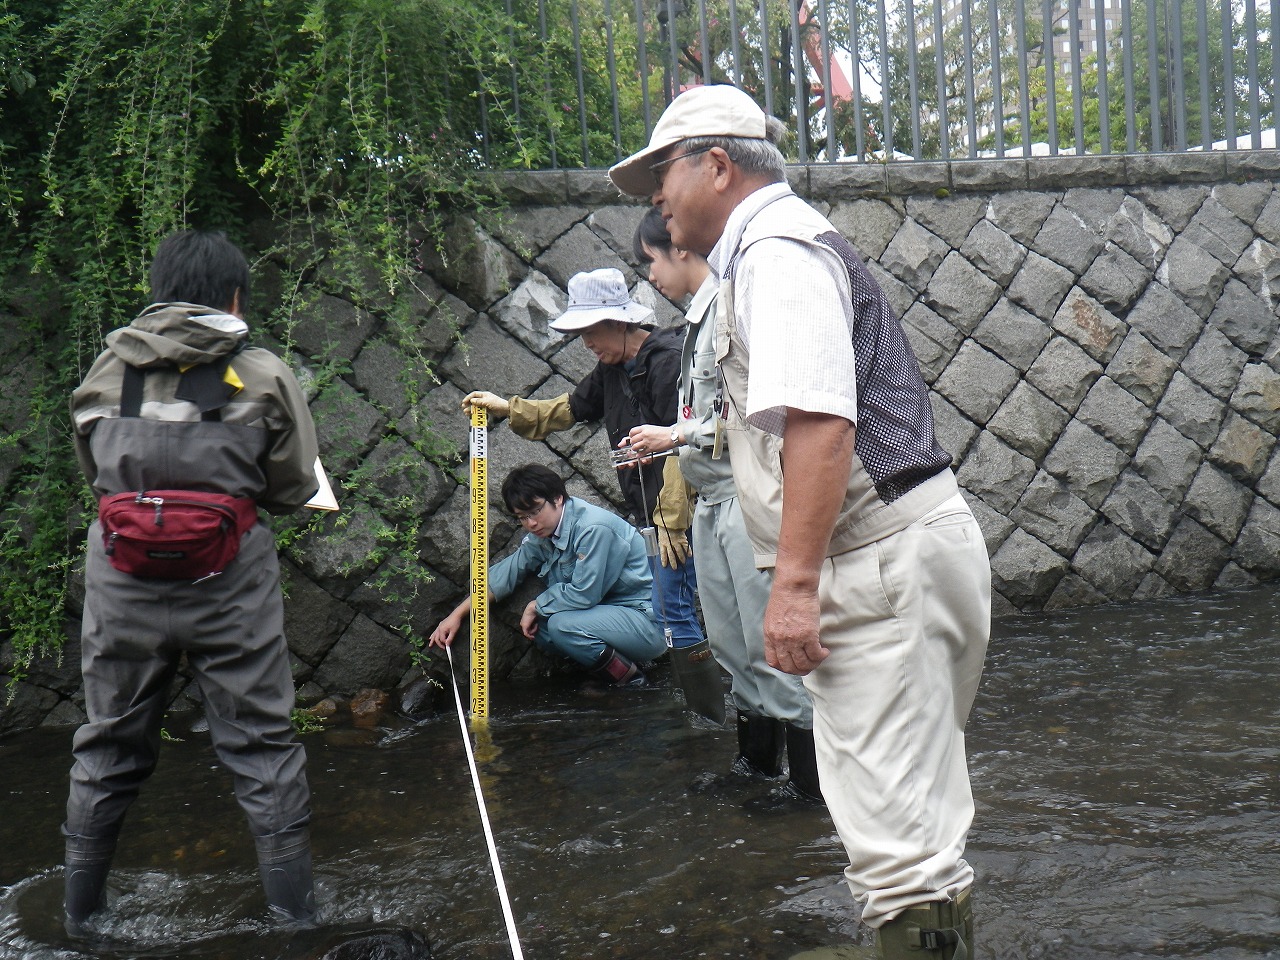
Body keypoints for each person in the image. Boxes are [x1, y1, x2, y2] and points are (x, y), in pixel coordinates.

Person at [609, 85, 991, 960]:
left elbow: (821, 424)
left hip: (876, 558)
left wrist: (791, 589)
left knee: (899, 852)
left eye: (661, 173)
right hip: (902, 545)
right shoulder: (774, 251)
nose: (655, 197)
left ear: (717, 165)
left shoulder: (776, 253)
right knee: (920, 822)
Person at [64, 230, 321, 933]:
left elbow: (96, 478)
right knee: (262, 745)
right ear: (234, 297)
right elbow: (293, 485)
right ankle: (295, 922)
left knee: (108, 741)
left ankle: (79, 920)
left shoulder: (104, 374)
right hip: (228, 586)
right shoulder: (263, 375)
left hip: (122, 588)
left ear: (159, 292)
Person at [625, 206, 820, 812]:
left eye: (651, 260)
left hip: (745, 498)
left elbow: (753, 413)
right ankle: (756, 764)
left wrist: (675, 436)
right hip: (709, 501)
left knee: (770, 646)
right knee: (732, 644)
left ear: (679, 249)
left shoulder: (731, 307)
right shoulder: (694, 320)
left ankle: (810, 785)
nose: (650, 275)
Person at [462, 268, 711, 701]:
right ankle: (693, 703)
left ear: (618, 322)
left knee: (676, 610)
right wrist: (507, 408)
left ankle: (702, 707)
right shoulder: (612, 368)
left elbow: (682, 442)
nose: (587, 344)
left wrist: (672, 522)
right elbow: (567, 410)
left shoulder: (667, 361)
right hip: (652, 515)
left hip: (679, 514)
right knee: (673, 609)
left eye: (591, 332)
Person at [429, 464, 666, 685]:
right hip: (609, 617)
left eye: (535, 511)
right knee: (542, 629)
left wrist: (536, 605)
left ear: (558, 498)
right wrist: (456, 615)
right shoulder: (545, 534)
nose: (530, 523)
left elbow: (585, 594)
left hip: (647, 623)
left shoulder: (594, 528)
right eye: (522, 517)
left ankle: (633, 682)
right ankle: (610, 669)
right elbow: (506, 574)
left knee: (561, 625)